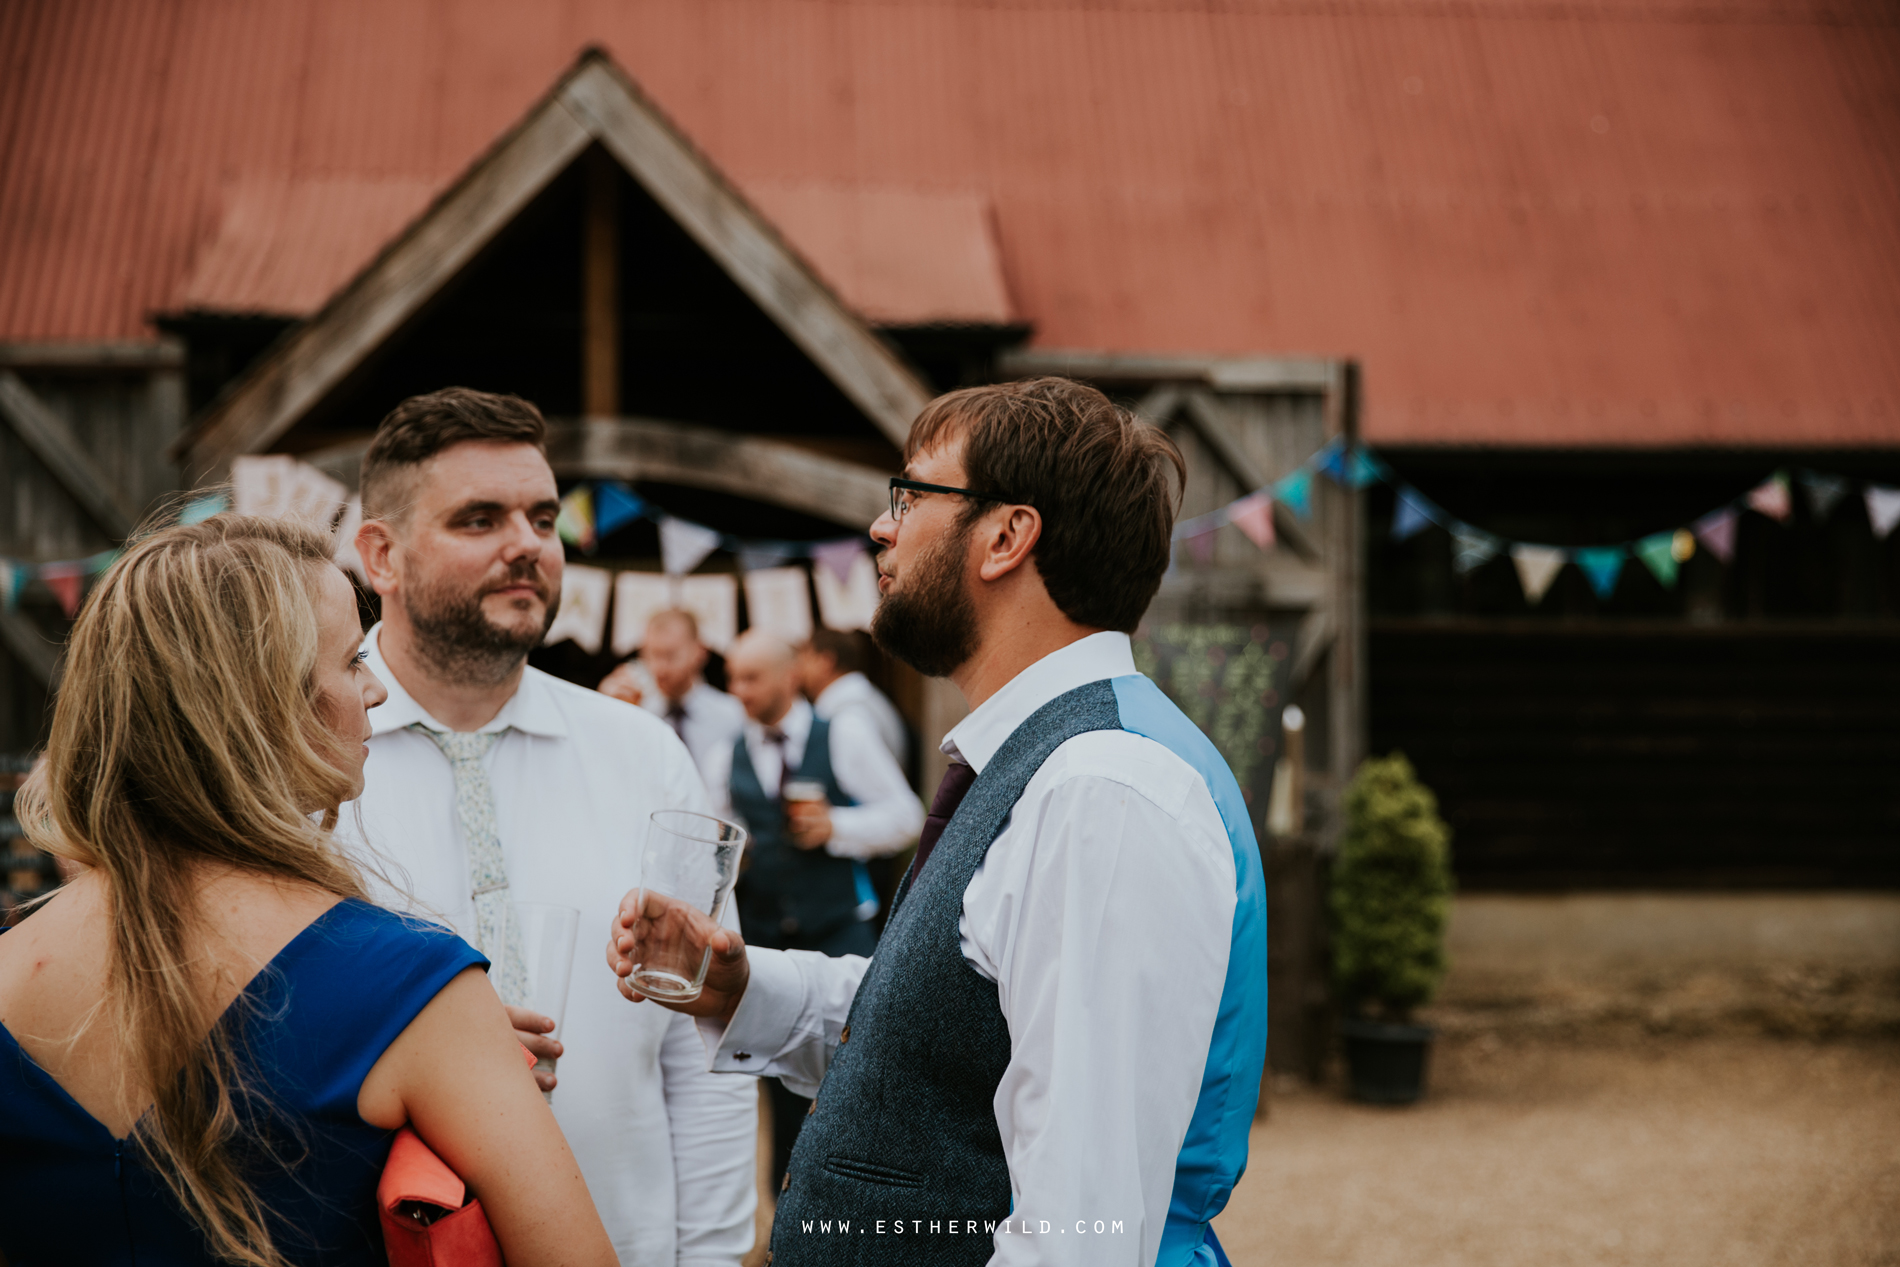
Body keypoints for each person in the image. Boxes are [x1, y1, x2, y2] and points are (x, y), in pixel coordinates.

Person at [610, 378, 1270, 1267]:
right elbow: (952, 1037)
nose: (882, 527)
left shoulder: (1100, 788)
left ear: (1006, 535)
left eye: (910, 494)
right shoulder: (1040, 760)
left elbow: (1080, 1230)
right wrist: (738, 987)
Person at [0, 514, 614, 1267]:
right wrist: (444, 1032)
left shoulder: (9, 971)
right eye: (354, 659)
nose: (377, 691)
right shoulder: (409, 983)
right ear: (261, 702)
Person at [343, 389, 756, 1266]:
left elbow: (704, 1041)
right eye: (479, 519)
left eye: (541, 516)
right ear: (381, 553)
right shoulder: (298, 760)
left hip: (630, 1243)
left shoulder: (646, 756)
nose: (526, 544)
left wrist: (712, 1257)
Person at [704, 629, 924, 1191]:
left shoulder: (843, 734)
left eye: (750, 678)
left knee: (863, 1079)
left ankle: (868, 1204)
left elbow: (905, 817)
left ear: (789, 676)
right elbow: (719, 844)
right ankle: (791, 1218)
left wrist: (837, 827)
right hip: (768, 938)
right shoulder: (724, 753)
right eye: (732, 679)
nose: (739, 691)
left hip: (842, 930)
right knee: (778, 1088)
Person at [600, 610, 747, 789]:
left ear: (700, 652)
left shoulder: (733, 714)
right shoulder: (635, 710)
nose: (660, 668)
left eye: (670, 655)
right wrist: (604, 710)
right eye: (652, 655)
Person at [797, 626, 910, 766]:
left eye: (805, 658)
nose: (799, 668)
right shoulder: (861, 698)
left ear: (825, 662)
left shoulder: (849, 711)